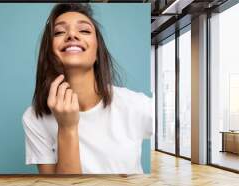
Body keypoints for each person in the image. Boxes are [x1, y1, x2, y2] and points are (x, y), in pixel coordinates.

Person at [22, 3, 153, 174]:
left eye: (84, 30)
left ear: (97, 52)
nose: (71, 35)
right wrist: (67, 127)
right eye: (59, 32)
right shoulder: (34, 118)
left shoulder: (136, 105)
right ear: (49, 53)